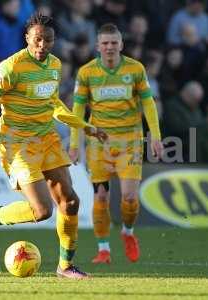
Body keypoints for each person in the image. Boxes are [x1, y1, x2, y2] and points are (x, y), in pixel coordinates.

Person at [0, 13, 106, 279]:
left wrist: (84, 126)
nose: (42, 45)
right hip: (16, 142)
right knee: (41, 211)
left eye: (48, 40)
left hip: (46, 138)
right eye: (37, 39)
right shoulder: (11, 68)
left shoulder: (54, 65)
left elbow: (53, 105)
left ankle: (65, 266)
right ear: (27, 38)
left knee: (71, 202)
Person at [68, 23, 163, 264]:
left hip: (130, 141)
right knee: (100, 196)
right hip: (99, 142)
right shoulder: (86, 73)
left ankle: (128, 233)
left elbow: (149, 104)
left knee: (129, 197)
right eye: (105, 43)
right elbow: (77, 109)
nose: (110, 47)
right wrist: (74, 143)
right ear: (98, 46)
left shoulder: (136, 69)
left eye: (114, 43)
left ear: (121, 45)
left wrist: (156, 135)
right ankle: (103, 249)